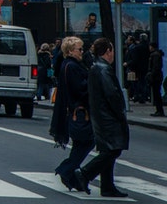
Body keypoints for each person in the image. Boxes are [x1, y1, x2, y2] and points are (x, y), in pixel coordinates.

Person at [74, 37, 129, 197]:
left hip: (100, 116)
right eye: (112, 50)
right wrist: (120, 112)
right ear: (107, 51)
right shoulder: (103, 69)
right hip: (108, 117)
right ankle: (85, 173)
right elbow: (111, 94)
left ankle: (107, 186)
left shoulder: (96, 67)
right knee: (113, 150)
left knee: (108, 149)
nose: (113, 55)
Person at [51, 36, 93, 192]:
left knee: (80, 144)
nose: (82, 52)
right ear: (70, 51)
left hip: (75, 111)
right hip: (79, 111)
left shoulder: (69, 65)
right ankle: (66, 170)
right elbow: (80, 89)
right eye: (79, 49)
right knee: (87, 141)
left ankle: (72, 177)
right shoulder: (72, 66)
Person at [146, 42, 165, 116]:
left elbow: (155, 67)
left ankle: (159, 110)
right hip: (157, 76)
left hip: (156, 77)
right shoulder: (157, 54)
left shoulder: (155, 55)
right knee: (157, 93)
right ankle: (159, 110)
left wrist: (151, 75)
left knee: (157, 94)